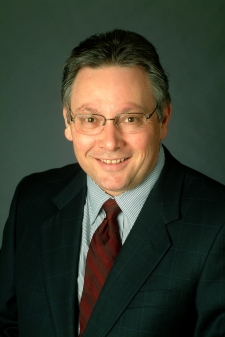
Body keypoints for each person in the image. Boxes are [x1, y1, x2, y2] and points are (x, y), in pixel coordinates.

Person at [0, 29, 224, 337]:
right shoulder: (32, 198)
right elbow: (7, 325)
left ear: (163, 119)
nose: (110, 142)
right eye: (90, 119)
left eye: (130, 118)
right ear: (68, 122)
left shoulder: (217, 222)